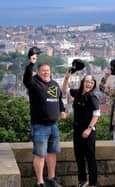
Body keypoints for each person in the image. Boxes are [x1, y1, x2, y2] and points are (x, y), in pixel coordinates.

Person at [23, 50, 66, 187]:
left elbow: (59, 99)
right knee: (40, 155)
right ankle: (40, 182)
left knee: (52, 153)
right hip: (40, 125)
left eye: (47, 70)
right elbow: (26, 79)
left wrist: (62, 110)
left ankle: (51, 178)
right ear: (38, 72)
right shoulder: (34, 83)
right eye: (43, 70)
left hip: (54, 125)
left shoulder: (54, 84)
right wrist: (31, 63)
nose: (46, 72)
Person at [62, 71, 100, 187]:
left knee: (90, 157)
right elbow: (65, 90)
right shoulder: (77, 93)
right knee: (79, 157)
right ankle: (82, 181)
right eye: (87, 82)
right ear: (83, 82)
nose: (89, 84)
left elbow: (96, 114)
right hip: (77, 130)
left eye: (92, 83)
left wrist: (89, 129)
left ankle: (93, 183)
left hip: (88, 131)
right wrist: (66, 78)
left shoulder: (92, 97)